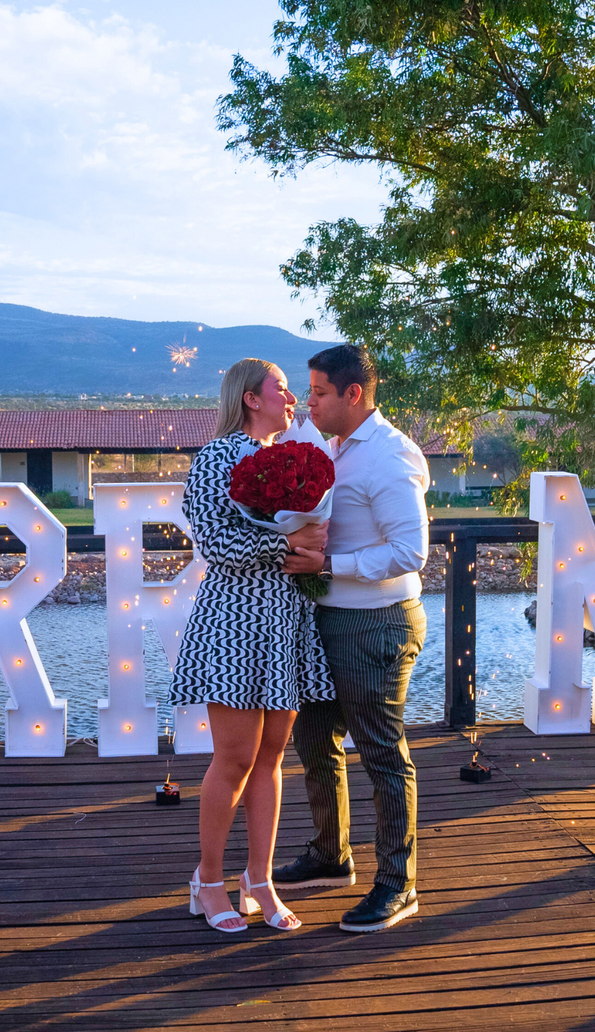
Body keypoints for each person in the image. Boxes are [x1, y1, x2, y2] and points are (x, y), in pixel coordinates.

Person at [172, 357, 334, 933]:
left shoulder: (294, 456)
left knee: (270, 758)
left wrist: (312, 542)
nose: (292, 398)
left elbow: (310, 529)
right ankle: (208, 881)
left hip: (285, 618)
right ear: (250, 398)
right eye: (282, 389)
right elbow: (215, 542)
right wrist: (287, 546)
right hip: (235, 622)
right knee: (235, 757)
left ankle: (258, 879)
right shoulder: (216, 457)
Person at [273, 344, 430, 934]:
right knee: (314, 738)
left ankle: (398, 883)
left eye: (316, 393)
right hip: (322, 618)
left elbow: (409, 552)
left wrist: (326, 564)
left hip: (376, 622)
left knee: (382, 752)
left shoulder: (391, 457)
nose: (306, 403)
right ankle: (330, 854)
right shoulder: (325, 444)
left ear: (352, 395)